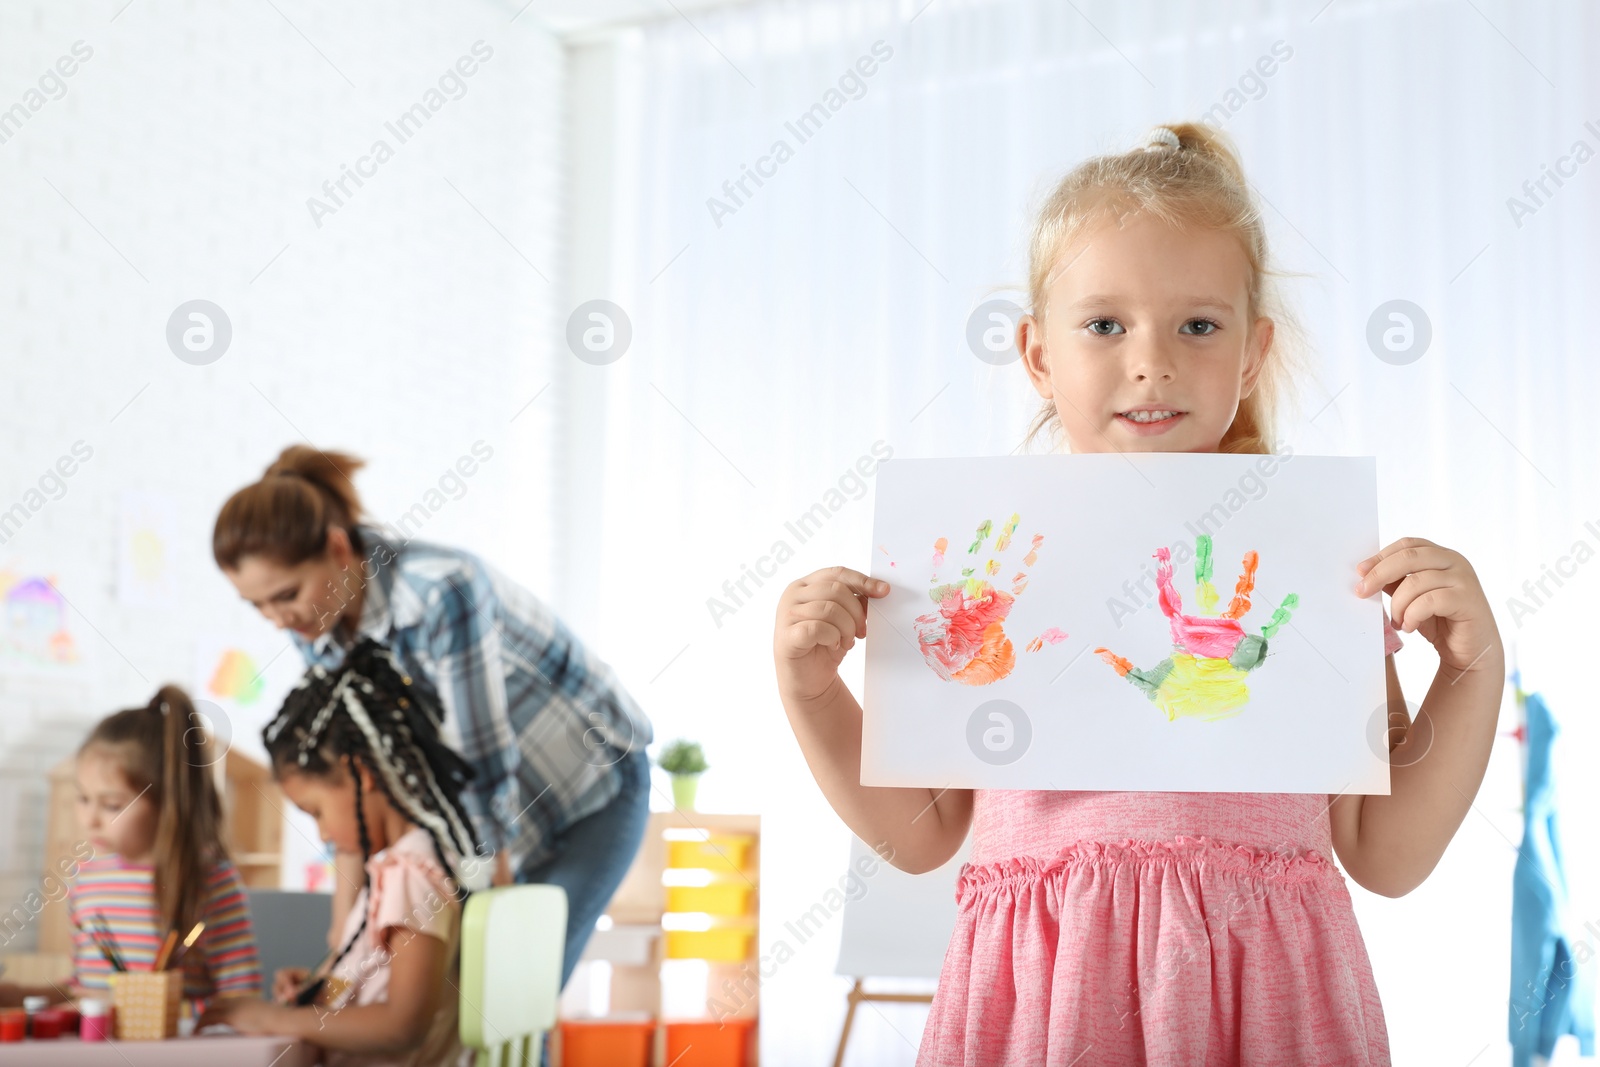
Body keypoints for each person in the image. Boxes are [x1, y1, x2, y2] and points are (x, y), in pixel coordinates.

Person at [772, 123, 1504, 1065]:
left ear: (1251, 352)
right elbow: (922, 837)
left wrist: (1471, 669)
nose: (1151, 359)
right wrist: (811, 687)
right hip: (1047, 1001)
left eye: (1197, 324)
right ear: (1039, 355)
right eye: (1105, 324)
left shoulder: (1311, 564)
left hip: (1264, 1001)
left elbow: (1387, 850)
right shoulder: (991, 573)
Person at [213, 447, 653, 985]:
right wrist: (340, 947)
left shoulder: (440, 589)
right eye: (256, 606)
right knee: (465, 988)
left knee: (512, 992)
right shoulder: (318, 629)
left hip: (591, 789)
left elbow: (478, 755)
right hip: (493, 816)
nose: (278, 620)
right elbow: (355, 784)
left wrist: (494, 895)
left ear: (336, 547)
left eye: (285, 595)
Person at [202, 637, 480, 1066]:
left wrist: (277, 1020)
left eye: (316, 810)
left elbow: (402, 1025)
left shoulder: (410, 872)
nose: (323, 832)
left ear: (361, 775)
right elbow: (379, 987)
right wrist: (321, 989)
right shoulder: (397, 867)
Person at [0, 686, 261, 1009]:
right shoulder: (86, 879)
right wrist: (21, 995)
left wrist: (162, 1010)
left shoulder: (212, 881)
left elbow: (241, 1003)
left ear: (167, 803)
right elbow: (86, 991)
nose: (89, 819)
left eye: (111, 805)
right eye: (82, 798)